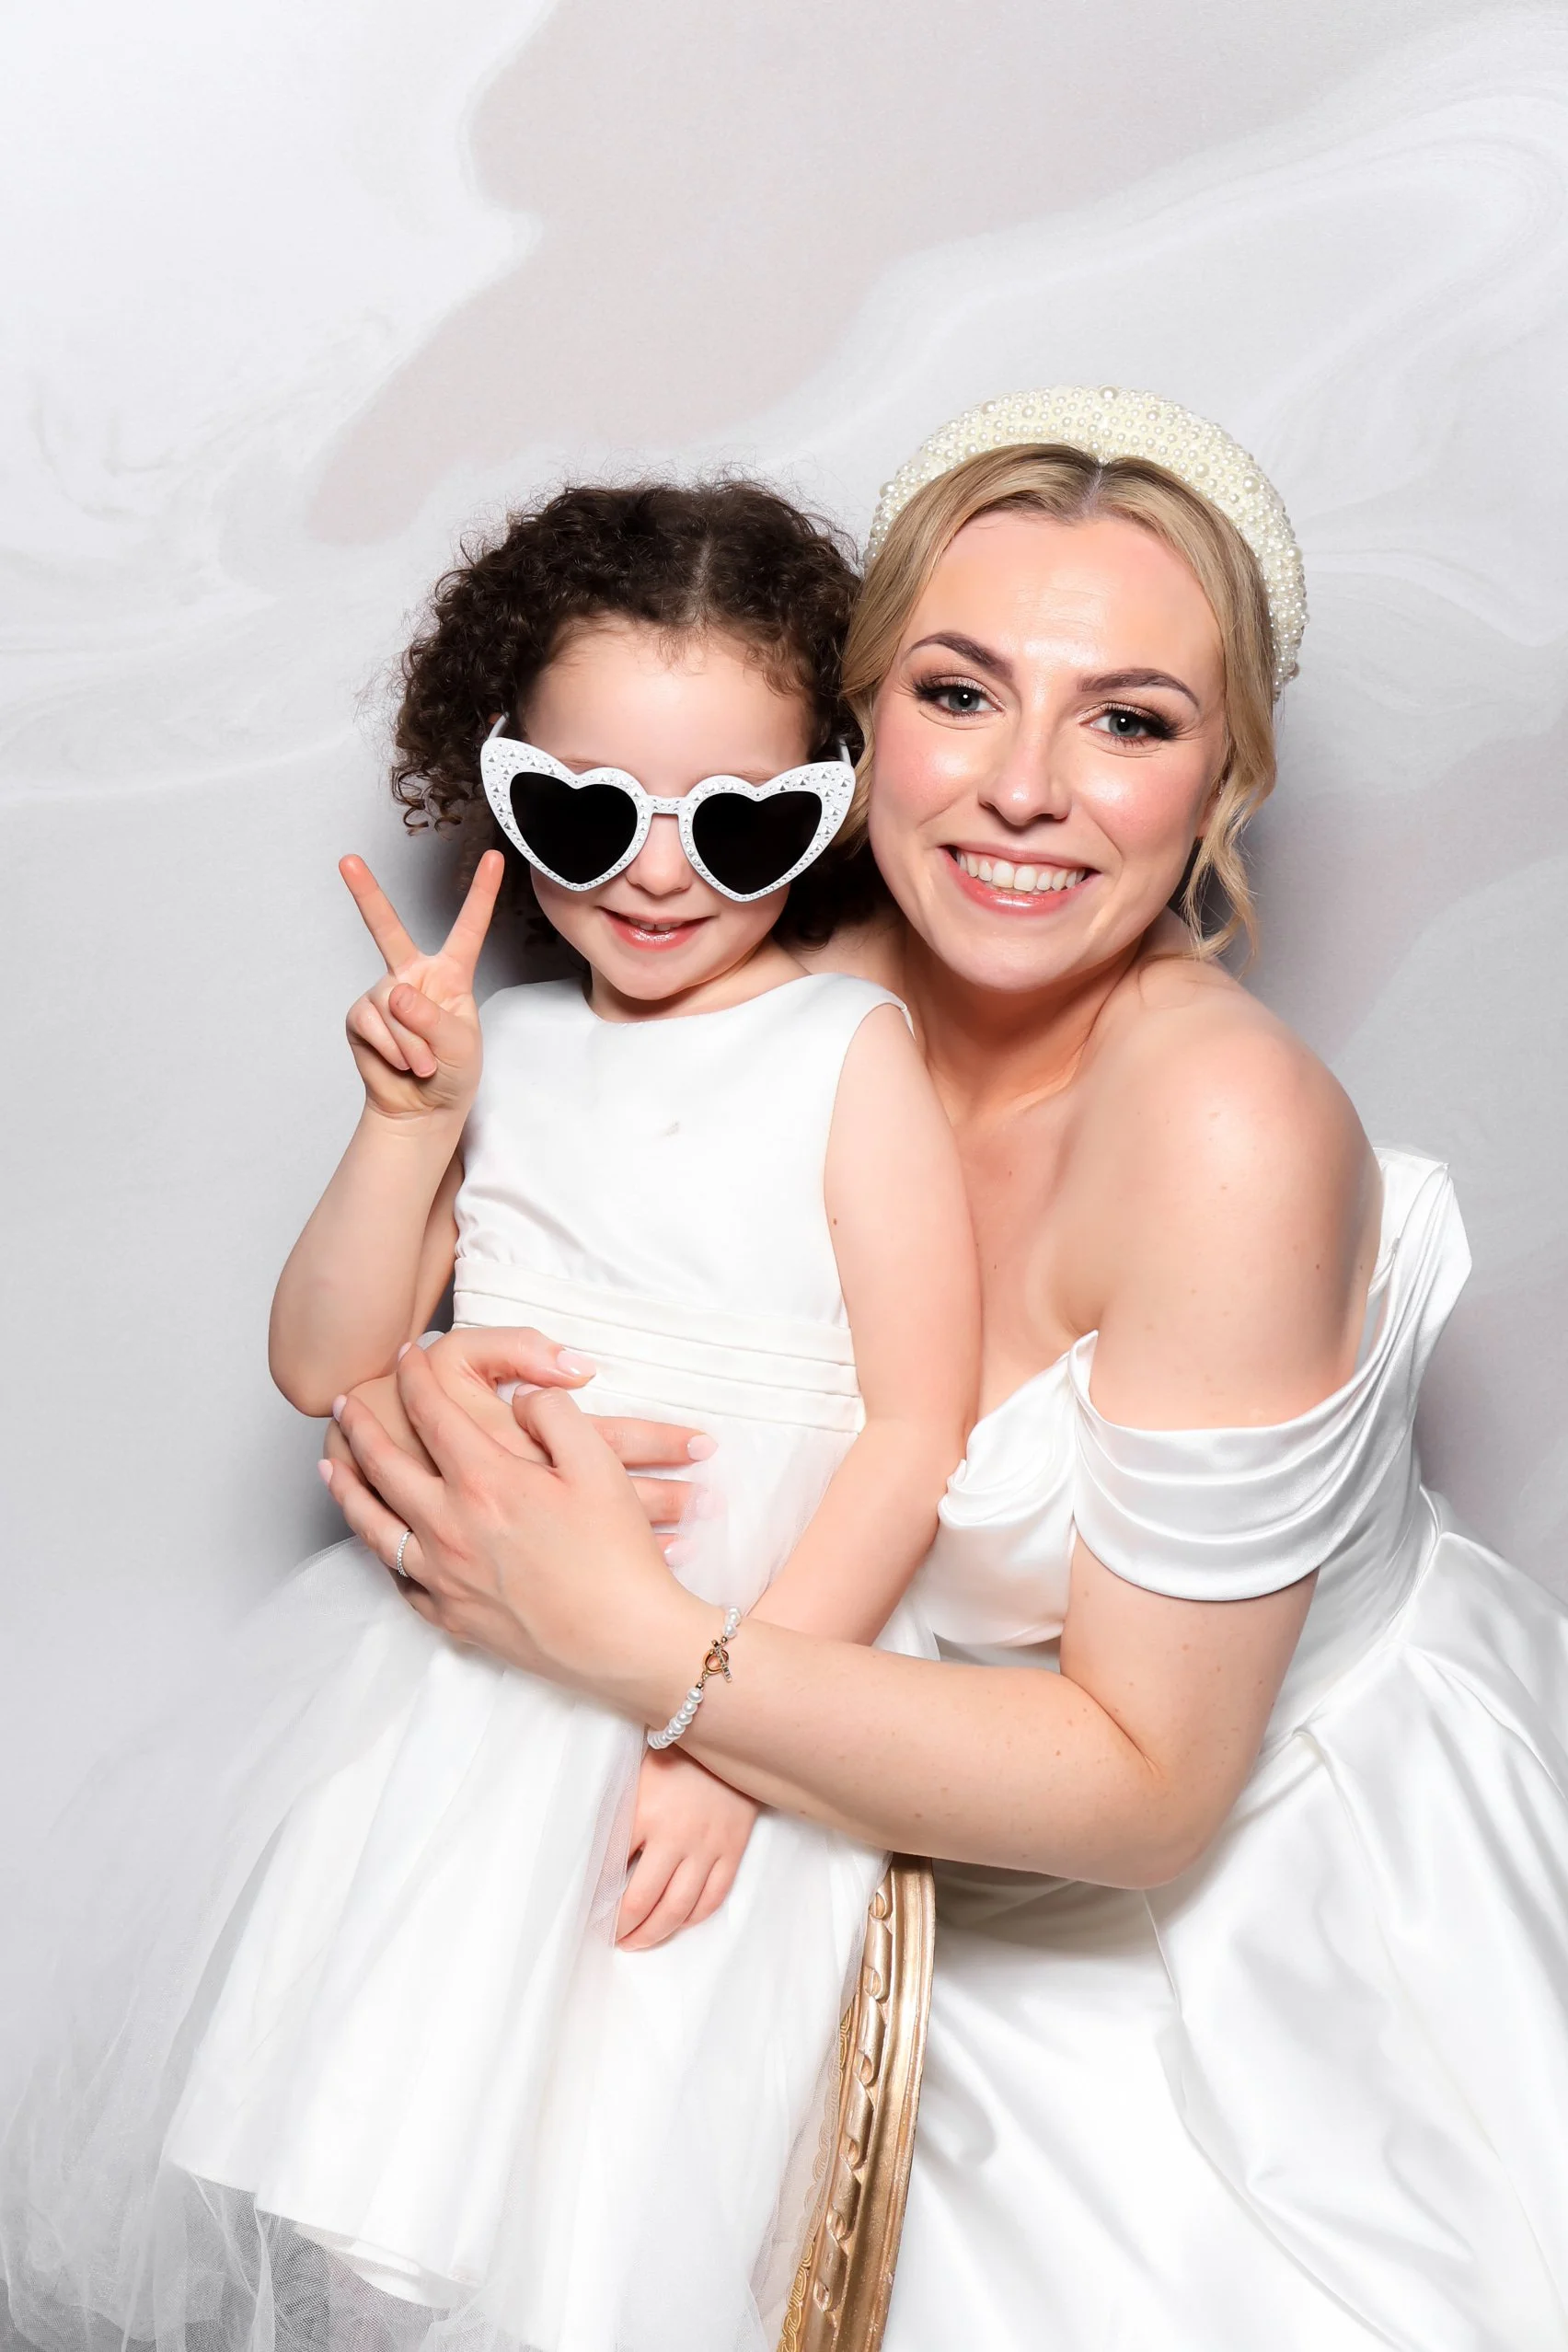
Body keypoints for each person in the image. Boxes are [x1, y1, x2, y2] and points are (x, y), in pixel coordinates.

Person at [324, 392, 1568, 2352]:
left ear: (1224, 772)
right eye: (962, 693)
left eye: (1133, 719)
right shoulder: (751, 973)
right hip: (818, 1869)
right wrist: (443, 1436)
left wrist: (636, 1647)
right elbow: (530, 1303)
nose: (1026, 790)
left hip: (1233, 1948)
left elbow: (1154, 1793)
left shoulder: (1224, 1134)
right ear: (857, 718)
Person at [0, 481, 977, 2352]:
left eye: (746, 822)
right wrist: (407, 1121)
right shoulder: (501, 1048)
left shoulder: (851, 1055)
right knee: (407, 2131)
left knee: (627, 2154)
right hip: (466, 1692)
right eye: (588, 812)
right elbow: (321, 1362)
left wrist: (731, 1748)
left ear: (837, 803)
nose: (660, 875)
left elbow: (916, 1427)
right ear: (501, 783)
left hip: (733, 1658)